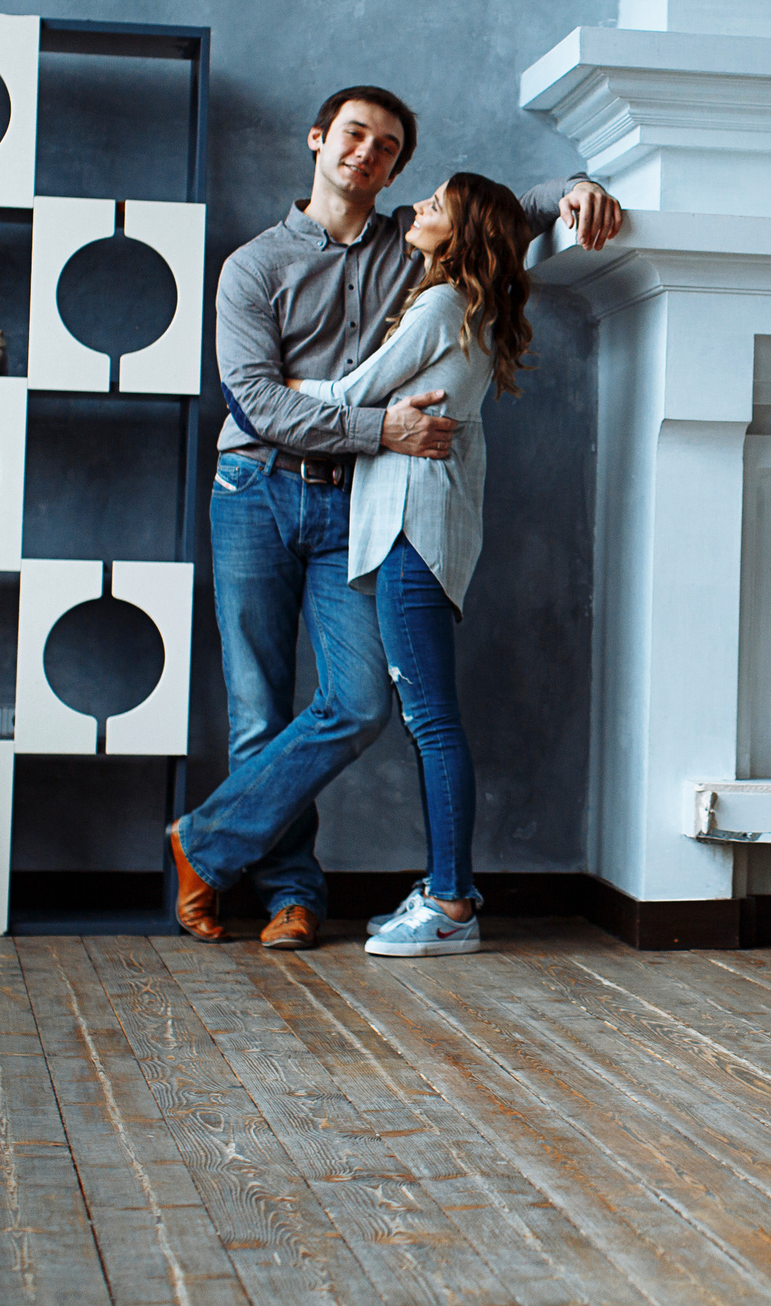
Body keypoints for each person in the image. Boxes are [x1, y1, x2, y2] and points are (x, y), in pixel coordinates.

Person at [169, 86, 620, 950]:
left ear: (398, 166)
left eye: (385, 146)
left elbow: (508, 209)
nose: (365, 154)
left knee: (358, 698)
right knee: (259, 705)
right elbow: (257, 403)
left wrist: (579, 184)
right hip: (255, 488)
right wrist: (384, 427)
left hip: (355, 501)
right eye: (352, 136)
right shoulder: (252, 266)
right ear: (317, 140)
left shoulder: (411, 246)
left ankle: (205, 845)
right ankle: (288, 893)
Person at [284, 172, 531, 956]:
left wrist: (283, 384)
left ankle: (452, 903)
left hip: (408, 533)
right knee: (431, 720)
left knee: (431, 720)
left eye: (438, 202)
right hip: (426, 531)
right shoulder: (465, 309)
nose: (420, 206)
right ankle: (445, 890)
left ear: (466, 231)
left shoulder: (440, 304)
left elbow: (352, 392)